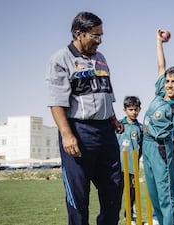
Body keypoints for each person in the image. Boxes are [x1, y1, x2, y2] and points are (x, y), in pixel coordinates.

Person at [45, 11, 124, 225]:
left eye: (101, 36)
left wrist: (113, 119)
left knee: (114, 188)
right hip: (79, 132)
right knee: (78, 196)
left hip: (106, 133)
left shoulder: (101, 59)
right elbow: (56, 101)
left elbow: (105, 92)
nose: (99, 41)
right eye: (95, 36)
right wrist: (67, 134)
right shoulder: (61, 59)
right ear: (79, 34)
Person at [142, 29, 174, 225]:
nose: (170, 85)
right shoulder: (159, 92)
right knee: (153, 193)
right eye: (168, 81)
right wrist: (159, 42)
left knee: (166, 196)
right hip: (146, 146)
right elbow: (161, 65)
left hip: (162, 150)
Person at [116, 96, 143, 225]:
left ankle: (130, 216)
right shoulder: (119, 125)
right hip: (118, 167)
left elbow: (142, 146)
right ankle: (113, 216)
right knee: (116, 193)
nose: (133, 112)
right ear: (125, 110)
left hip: (133, 167)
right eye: (130, 109)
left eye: (136, 109)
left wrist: (137, 159)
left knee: (132, 194)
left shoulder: (140, 128)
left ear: (139, 109)